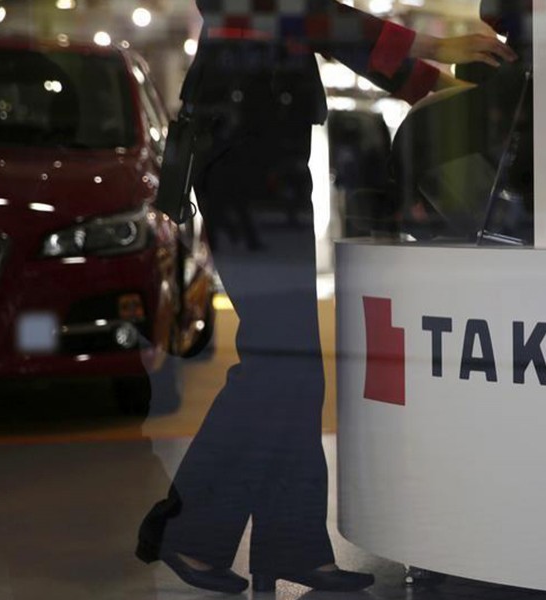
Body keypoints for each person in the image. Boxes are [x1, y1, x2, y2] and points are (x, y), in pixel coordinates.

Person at [136, 0, 516, 594]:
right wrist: (427, 53)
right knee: (276, 368)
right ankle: (187, 530)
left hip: (264, 168)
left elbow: (311, 24)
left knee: (294, 370)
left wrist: (428, 82)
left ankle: (290, 545)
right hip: (247, 170)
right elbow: (305, 13)